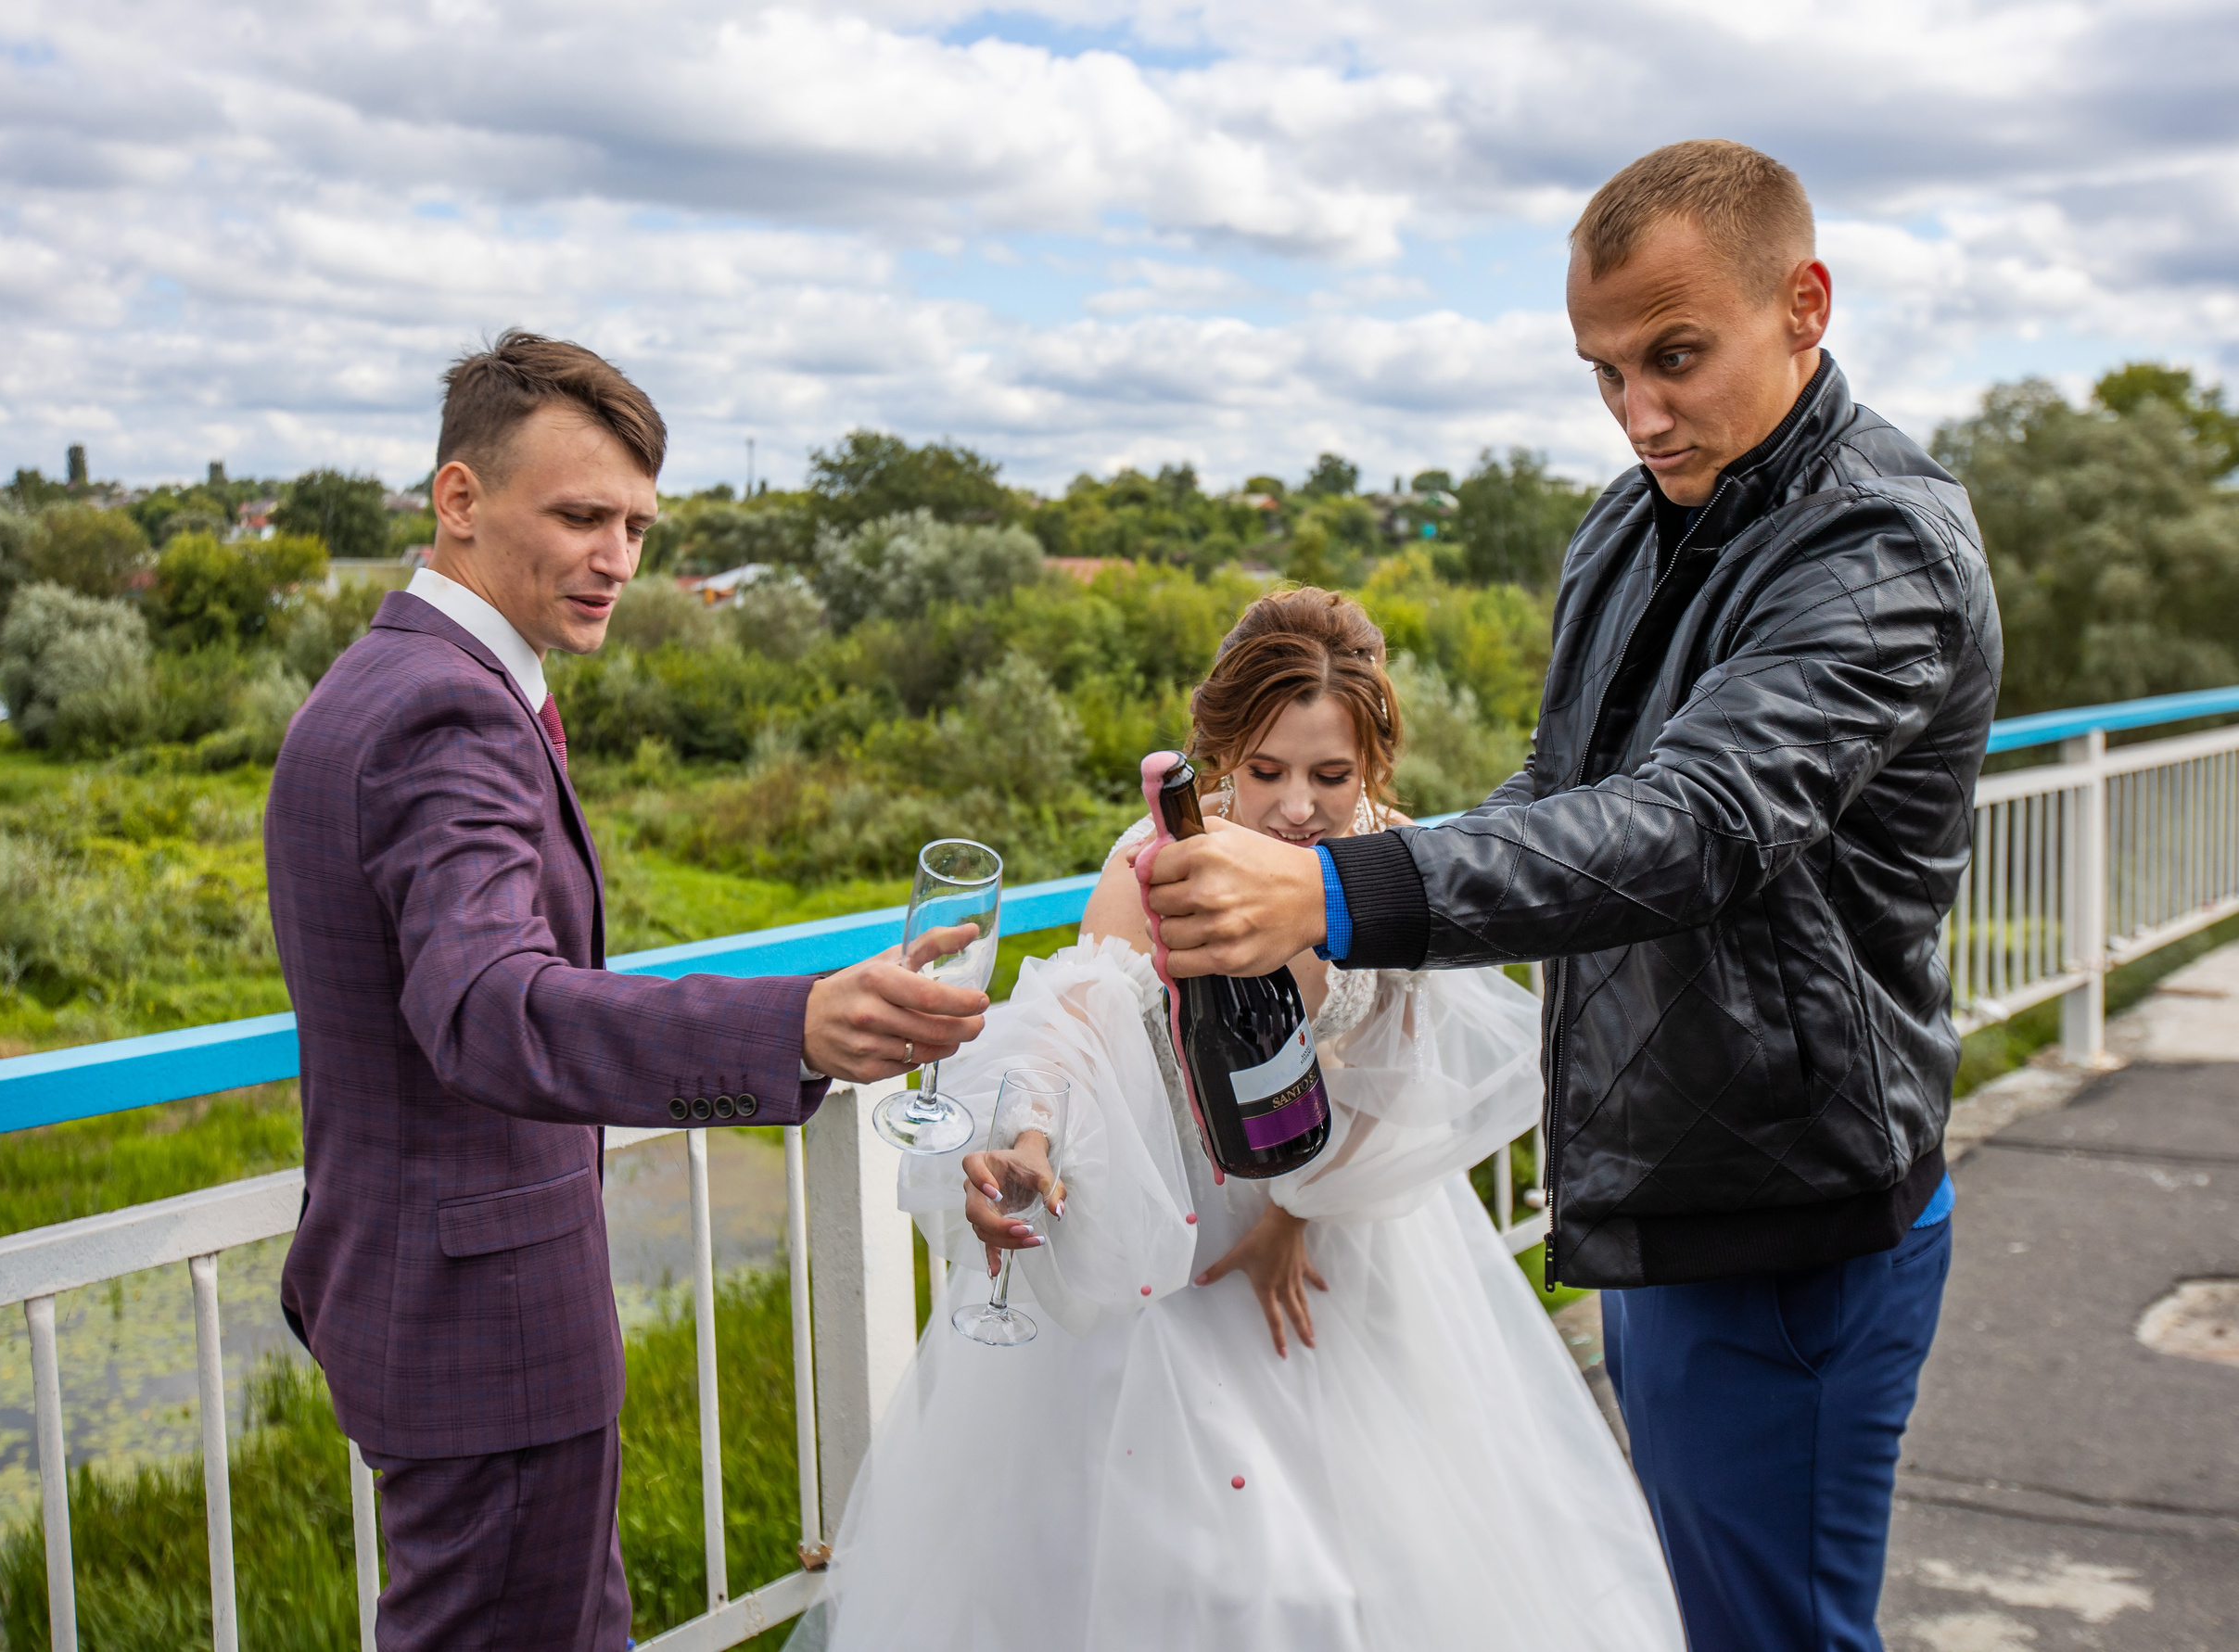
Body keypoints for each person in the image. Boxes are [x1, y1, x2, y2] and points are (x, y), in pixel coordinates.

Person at [1143, 142, 2002, 1652]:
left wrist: (1334, 895)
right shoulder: (1631, 518)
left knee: (1770, 1632)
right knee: (1694, 1608)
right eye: (1605, 371)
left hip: (1790, 1211)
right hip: (1667, 1178)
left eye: (1675, 357)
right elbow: (1562, 787)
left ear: (1803, 305)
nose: (1638, 410)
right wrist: (1341, 877)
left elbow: (1695, 825)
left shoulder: (1879, 550)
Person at [264, 330, 987, 1652]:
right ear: (460, 498)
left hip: (408, 1290)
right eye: (582, 515)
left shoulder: (383, 678)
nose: (619, 559)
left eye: (640, 524)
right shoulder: (449, 709)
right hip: (487, 1327)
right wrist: (799, 1021)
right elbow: (490, 1004)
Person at [789, 589, 1686, 1652]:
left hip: (1346, 1226)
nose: (1299, 808)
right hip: (1180, 1239)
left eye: (1330, 777)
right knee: (1228, 1578)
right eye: (1267, 773)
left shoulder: (1392, 863)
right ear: (1220, 760)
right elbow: (1079, 1016)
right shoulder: (1157, 866)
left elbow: (1403, 1068)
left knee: (1380, 1570)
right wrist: (1027, 1139)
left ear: (1373, 767)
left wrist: (1301, 1212)